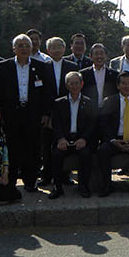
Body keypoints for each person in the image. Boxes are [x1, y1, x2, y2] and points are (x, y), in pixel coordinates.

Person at [0, 34, 52, 192]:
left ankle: (30, 181)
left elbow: (46, 93)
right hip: (11, 114)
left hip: (33, 114)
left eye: (27, 45)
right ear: (14, 49)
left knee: (32, 149)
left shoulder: (41, 66)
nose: (24, 48)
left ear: (31, 47)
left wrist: (46, 113)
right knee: (12, 149)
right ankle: (10, 181)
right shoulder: (4, 66)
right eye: (20, 45)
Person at [49, 72, 98, 199]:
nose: (74, 86)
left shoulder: (90, 103)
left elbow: (92, 125)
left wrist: (84, 139)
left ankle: (83, 186)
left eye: (77, 83)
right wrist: (60, 139)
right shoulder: (59, 103)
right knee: (56, 154)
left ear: (82, 84)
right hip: (64, 139)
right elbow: (56, 124)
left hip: (81, 139)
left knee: (86, 154)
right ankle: (57, 187)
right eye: (71, 83)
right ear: (67, 85)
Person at [40, 37, 79, 187]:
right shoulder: (43, 66)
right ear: (48, 50)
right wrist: (44, 112)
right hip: (48, 112)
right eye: (53, 47)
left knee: (65, 142)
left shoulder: (72, 65)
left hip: (66, 110)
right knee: (47, 144)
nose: (56, 50)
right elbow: (41, 91)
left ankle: (65, 175)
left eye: (59, 47)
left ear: (64, 49)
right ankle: (46, 175)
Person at [81, 43, 118, 108]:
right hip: (89, 111)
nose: (99, 56)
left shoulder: (114, 74)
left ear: (106, 56)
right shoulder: (83, 74)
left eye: (101, 53)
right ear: (90, 56)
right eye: (96, 54)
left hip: (108, 111)